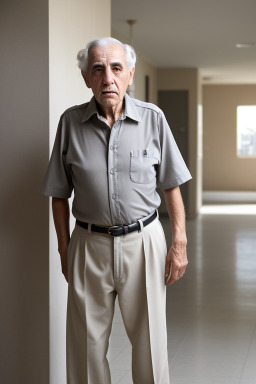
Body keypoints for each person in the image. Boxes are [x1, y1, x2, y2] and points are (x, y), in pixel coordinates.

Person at [41, 36, 192, 384]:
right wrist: (65, 249)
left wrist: (179, 241)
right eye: (98, 69)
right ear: (86, 78)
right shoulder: (70, 123)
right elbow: (58, 194)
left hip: (144, 241)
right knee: (85, 346)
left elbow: (171, 184)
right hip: (88, 244)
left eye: (116, 68)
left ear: (129, 73)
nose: (107, 77)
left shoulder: (154, 119)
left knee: (150, 342)